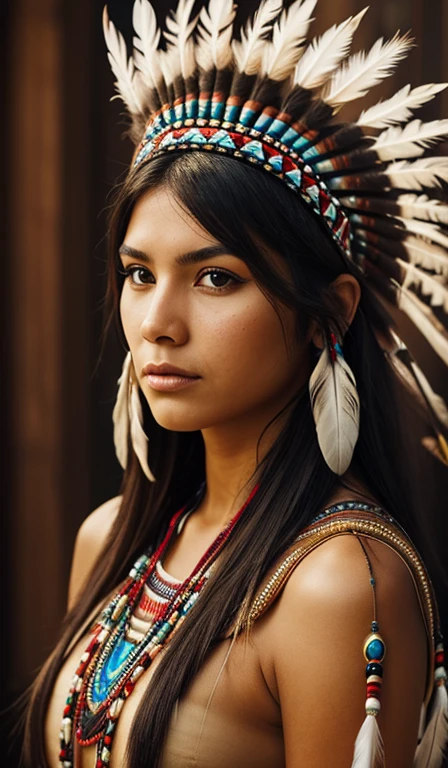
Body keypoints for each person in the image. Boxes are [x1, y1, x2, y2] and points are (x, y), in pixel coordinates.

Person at [23, 1, 448, 766]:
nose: (158, 320)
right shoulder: (109, 541)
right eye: (137, 274)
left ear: (330, 313)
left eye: (216, 277)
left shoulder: (339, 586)